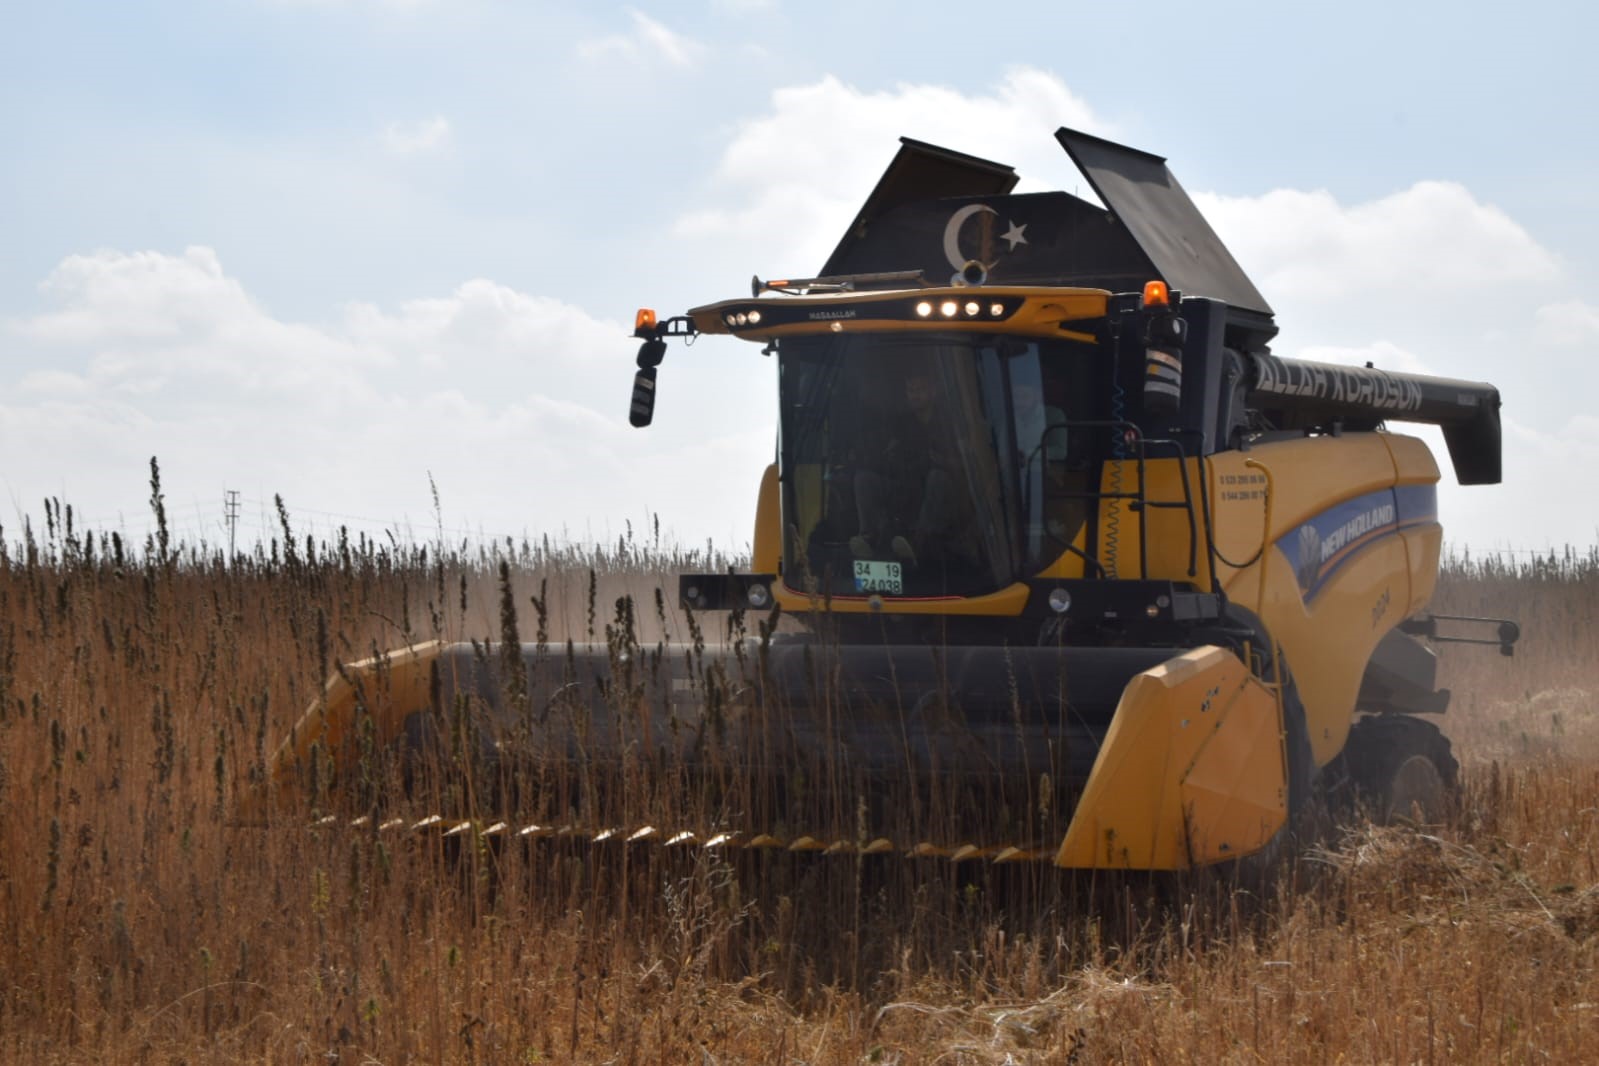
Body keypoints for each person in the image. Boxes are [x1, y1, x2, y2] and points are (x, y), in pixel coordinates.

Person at [850, 371, 965, 567]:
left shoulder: (949, 422)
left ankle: (917, 542)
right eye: (911, 390)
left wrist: (942, 461)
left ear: (933, 391)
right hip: (906, 489)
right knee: (863, 479)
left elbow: (963, 465)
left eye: (920, 390)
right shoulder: (901, 424)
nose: (915, 395)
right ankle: (869, 537)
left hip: (940, 495)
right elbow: (889, 458)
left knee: (937, 478)